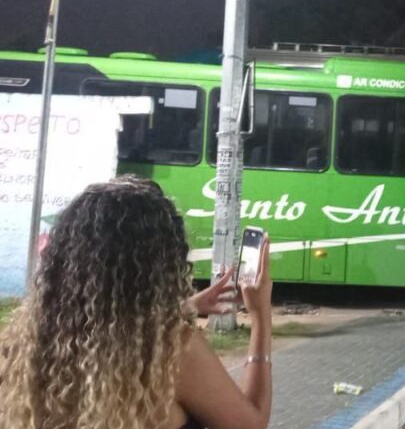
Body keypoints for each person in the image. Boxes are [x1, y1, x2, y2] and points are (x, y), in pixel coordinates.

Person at [0, 176, 274, 429]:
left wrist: (184, 307)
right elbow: (250, 424)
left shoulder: (24, 343)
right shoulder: (169, 350)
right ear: (159, 266)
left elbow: (106, 324)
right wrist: (261, 316)